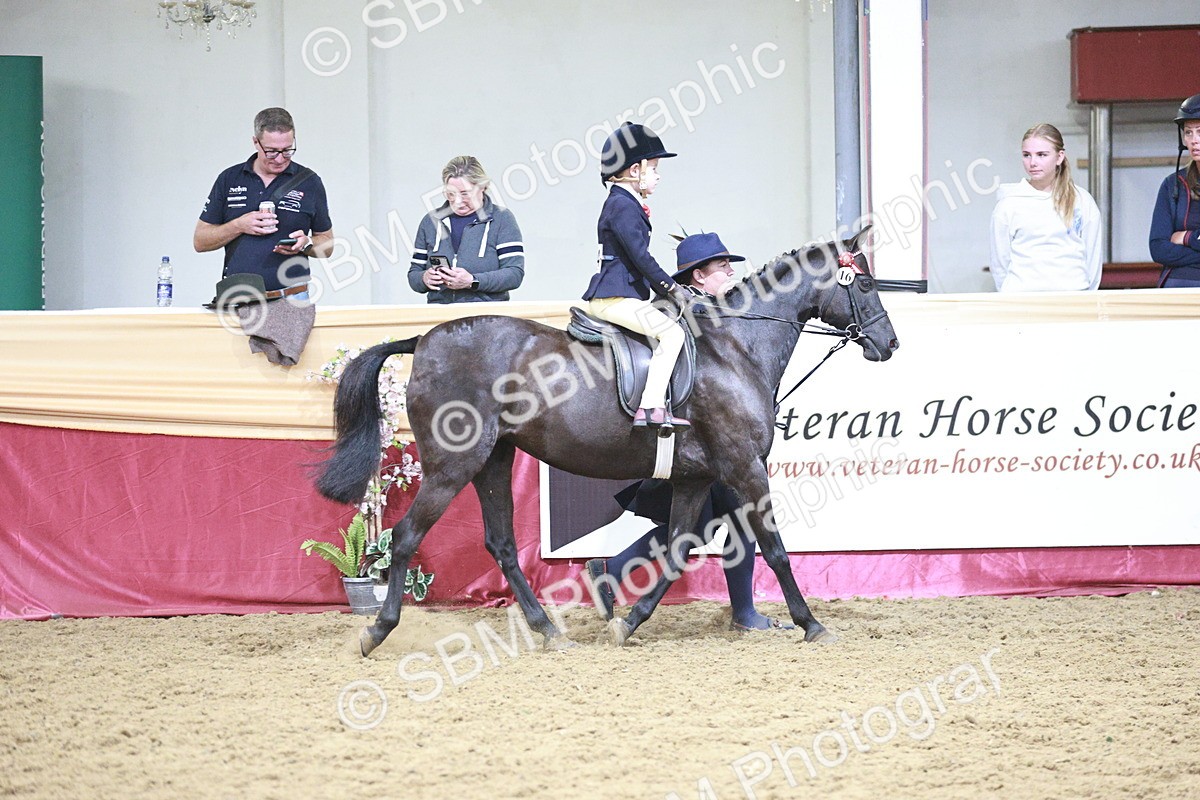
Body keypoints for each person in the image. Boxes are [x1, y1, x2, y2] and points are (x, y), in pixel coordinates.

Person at [584, 233, 792, 632]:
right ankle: (614, 571)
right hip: (687, 445)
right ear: (699, 276)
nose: (732, 273)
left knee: (730, 520)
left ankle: (613, 571)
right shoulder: (682, 313)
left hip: (707, 444)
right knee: (713, 524)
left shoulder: (715, 311)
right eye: (723, 267)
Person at [582, 122, 693, 430]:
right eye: (654, 168)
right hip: (614, 296)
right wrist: (672, 287)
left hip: (619, 293)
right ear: (635, 170)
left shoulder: (624, 203)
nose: (658, 176)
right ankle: (651, 407)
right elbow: (640, 257)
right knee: (673, 334)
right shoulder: (622, 205)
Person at [194, 107, 333, 299]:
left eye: (287, 150)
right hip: (239, 297)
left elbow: (327, 246)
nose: (280, 159)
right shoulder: (230, 179)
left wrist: (306, 243)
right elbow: (200, 241)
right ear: (255, 142)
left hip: (291, 298)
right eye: (271, 151)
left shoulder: (310, 182)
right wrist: (238, 225)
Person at [989, 123, 1102, 292]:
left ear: (1059, 157)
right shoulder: (1009, 204)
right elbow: (1000, 263)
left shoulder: (1082, 201)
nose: (1033, 162)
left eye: (1042, 155)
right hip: (1022, 301)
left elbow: (1093, 258)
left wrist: (1084, 295)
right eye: (1027, 155)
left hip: (1074, 299)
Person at [407, 156, 525, 303]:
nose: (458, 201)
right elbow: (414, 274)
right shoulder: (430, 221)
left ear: (483, 187)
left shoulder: (502, 219)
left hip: (487, 318)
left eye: (465, 193)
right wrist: (424, 278)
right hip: (440, 316)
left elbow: (514, 274)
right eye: (451, 193)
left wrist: (472, 281)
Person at [1150, 94, 1200, 287]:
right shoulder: (1173, 184)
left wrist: (1185, 237)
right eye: (1188, 133)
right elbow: (1158, 248)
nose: (1194, 140)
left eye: (1199, 131)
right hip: (1178, 281)